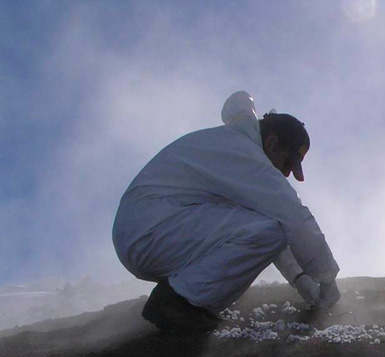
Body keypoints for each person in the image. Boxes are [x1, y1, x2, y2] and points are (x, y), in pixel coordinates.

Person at [112, 91, 340, 332]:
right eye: (286, 164)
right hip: (151, 231)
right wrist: (327, 277)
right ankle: (177, 302)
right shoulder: (243, 154)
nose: (284, 174)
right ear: (271, 143)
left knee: (265, 227)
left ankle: (183, 298)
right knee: (270, 230)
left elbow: (261, 226)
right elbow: (293, 219)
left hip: (151, 230)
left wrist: (300, 277)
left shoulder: (232, 145)